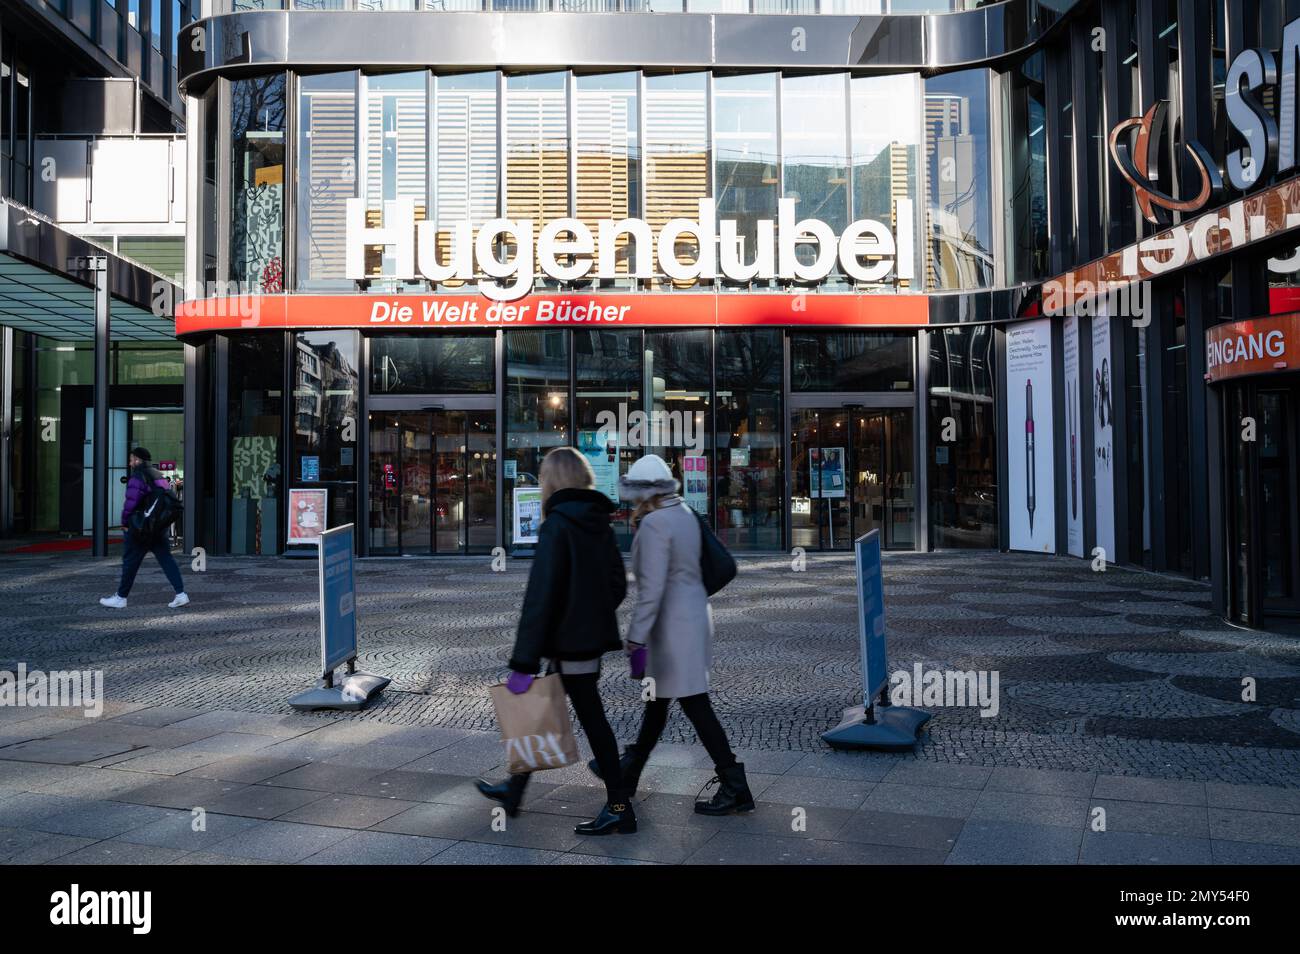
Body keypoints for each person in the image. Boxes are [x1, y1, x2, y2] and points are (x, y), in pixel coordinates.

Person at [476, 446, 636, 836]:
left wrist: (522, 662)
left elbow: (540, 597)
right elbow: (617, 584)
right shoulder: (599, 522)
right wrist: (590, 615)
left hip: (569, 641)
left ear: (551, 481)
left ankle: (619, 807)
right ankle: (515, 790)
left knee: (593, 721)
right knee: (543, 710)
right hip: (584, 640)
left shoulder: (557, 525)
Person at [596, 453, 754, 816]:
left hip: (670, 628)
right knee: (659, 701)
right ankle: (630, 770)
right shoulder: (684, 513)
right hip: (693, 619)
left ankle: (734, 783)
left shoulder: (654, 524)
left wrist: (635, 638)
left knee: (694, 704)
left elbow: (651, 591)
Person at [99, 448, 189, 610]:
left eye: (132, 459)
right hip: (157, 528)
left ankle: (121, 597)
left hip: (141, 528)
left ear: (138, 460)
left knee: (130, 562)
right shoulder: (157, 475)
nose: (130, 463)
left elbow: (131, 503)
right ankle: (181, 594)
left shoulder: (138, 477)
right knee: (166, 559)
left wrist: (125, 523)